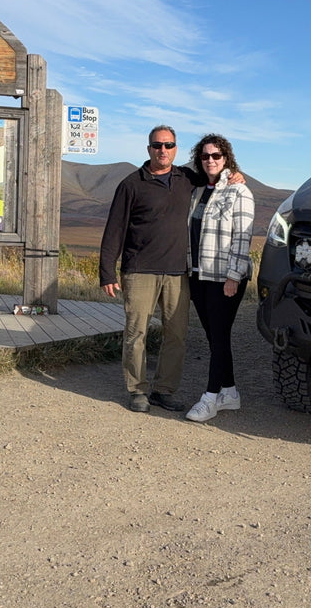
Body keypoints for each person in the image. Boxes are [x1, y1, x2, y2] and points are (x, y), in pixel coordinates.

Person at [99, 125, 244, 413]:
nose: (162, 150)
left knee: (176, 334)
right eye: (157, 145)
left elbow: (217, 172)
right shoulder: (131, 184)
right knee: (136, 332)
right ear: (149, 148)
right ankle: (137, 390)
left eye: (168, 145)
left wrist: (237, 175)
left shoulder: (187, 178)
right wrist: (107, 271)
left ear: (176, 149)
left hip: (179, 271)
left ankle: (164, 390)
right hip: (139, 270)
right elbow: (114, 228)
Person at [183, 133, 255, 423]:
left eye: (216, 155)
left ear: (226, 158)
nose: (210, 160)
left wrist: (234, 276)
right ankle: (230, 392)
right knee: (215, 337)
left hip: (224, 277)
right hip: (198, 275)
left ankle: (210, 398)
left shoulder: (240, 192)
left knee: (220, 334)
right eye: (205, 156)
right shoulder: (197, 190)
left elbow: (243, 237)